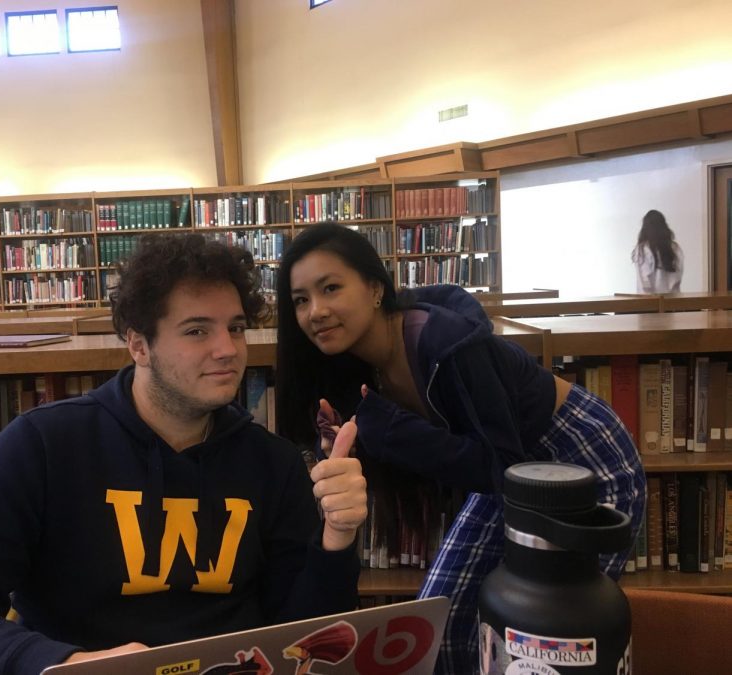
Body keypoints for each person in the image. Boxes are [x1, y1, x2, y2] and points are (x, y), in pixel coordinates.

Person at [0, 234, 367, 675]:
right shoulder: (45, 446)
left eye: (236, 328)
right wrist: (68, 663)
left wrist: (336, 539)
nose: (228, 350)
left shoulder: (273, 463)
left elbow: (305, 639)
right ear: (138, 344)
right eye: (197, 331)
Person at [274, 222, 646, 674]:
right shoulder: (359, 371)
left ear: (374, 288)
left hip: (582, 458)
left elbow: (499, 466)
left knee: (555, 636)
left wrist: (390, 431)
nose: (316, 311)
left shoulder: (443, 342)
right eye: (300, 300)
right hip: (514, 475)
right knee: (442, 618)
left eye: (331, 288)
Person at [632, 209, 683, 293]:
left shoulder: (643, 249)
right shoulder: (675, 248)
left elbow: (644, 283)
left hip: (650, 302)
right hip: (673, 301)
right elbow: (677, 278)